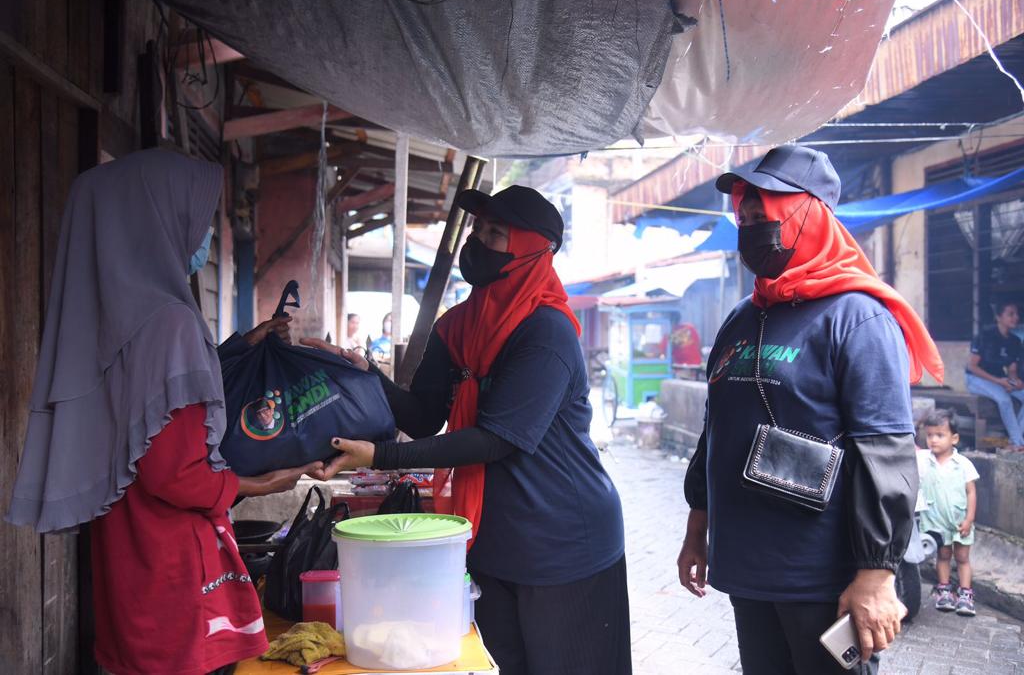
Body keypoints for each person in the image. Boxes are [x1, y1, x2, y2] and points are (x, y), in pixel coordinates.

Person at [5, 149, 323, 675]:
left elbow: (149, 407)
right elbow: (174, 474)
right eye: (198, 221)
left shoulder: (109, 318)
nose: (205, 236)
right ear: (156, 222)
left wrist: (237, 349)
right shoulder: (171, 322)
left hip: (124, 551)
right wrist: (262, 483)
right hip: (170, 566)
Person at [303, 185, 630, 675]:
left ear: (532, 248)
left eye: (496, 232)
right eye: (478, 229)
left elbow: (496, 439)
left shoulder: (547, 332)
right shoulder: (457, 327)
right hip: (493, 539)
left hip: (564, 540)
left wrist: (381, 456)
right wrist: (366, 375)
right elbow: (421, 416)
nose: (478, 241)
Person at [678, 145, 946, 675]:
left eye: (764, 214)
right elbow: (717, 431)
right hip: (748, 568)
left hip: (821, 576)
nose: (751, 227)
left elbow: (886, 453)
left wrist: (876, 573)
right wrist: (696, 531)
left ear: (808, 215)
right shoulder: (743, 317)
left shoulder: (858, 318)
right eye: (745, 217)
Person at [917, 409, 980, 617]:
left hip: (960, 520)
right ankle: (944, 590)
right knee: (943, 555)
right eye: (930, 435)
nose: (933, 440)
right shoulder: (924, 461)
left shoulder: (963, 464)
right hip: (936, 521)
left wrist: (969, 519)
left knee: (962, 557)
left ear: (954, 439)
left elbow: (971, 492)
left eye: (940, 435)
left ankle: (965, 594)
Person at [965, 300, 1024, 450]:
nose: (1016, 317)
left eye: (1016, 314)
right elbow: (972, 367)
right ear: (998, 317)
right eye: (1010, 314)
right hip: (976, 379)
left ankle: (1015, 439)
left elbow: (1012, 369)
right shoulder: (985, 336)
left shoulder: (1015, 341)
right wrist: (999, 381)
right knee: (1004, 400)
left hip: (1000, 380)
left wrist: (1015, 382)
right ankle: (1018, 443)